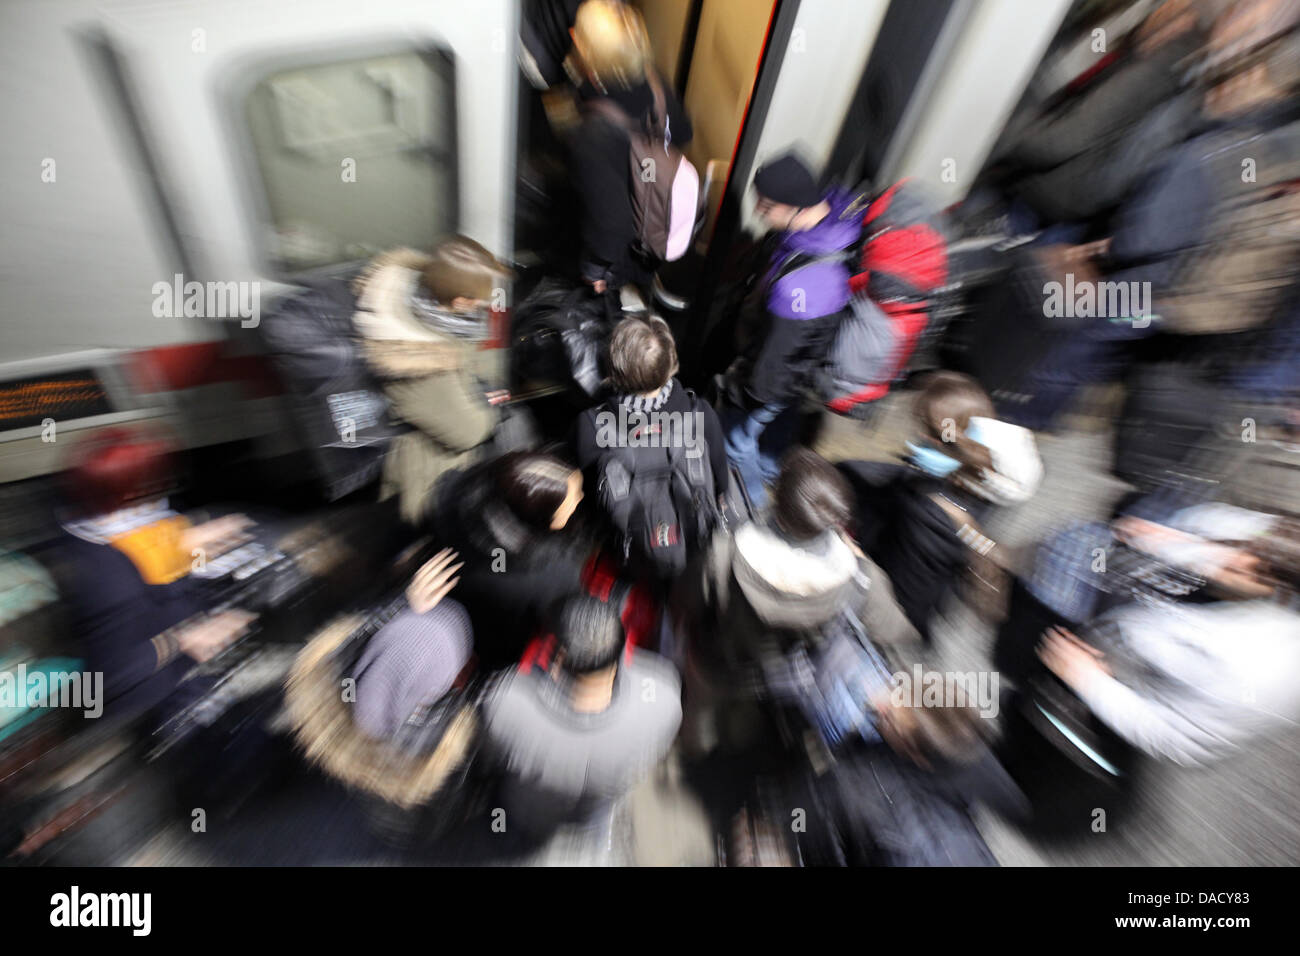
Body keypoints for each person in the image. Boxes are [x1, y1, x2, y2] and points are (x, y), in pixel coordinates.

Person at [679, 447, 917, 760]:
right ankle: (747, 735)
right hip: (785, 670)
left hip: (722, 658)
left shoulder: (725, 552)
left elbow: (688, 600)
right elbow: (895, 631)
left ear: (777, 500)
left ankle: (699, 744)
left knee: (703, 699)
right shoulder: (860, 578)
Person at [1036, 505, 1300, 766]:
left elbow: (1178, 739)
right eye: (1251, 545)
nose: (1236, 557)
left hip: (1138, 675)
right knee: (1095, 535)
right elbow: (1232, 535)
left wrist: (1090, 681)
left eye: (1259, 568)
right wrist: (1175, 541)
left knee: (1067, 566)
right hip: (1156, 622)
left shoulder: (1264, 671)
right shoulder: (1284, 543)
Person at [52, 428, 258, 727]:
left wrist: (199, 545)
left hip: (193, 677)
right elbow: (108, 676)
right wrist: (185, 638)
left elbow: (171, 561)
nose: (161, 494)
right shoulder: (100, 574)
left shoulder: (135, 525)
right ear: (128, 493)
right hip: (150, 712)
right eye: (151, 484)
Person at [841, 371, 1040, 643]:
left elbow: (903, 581)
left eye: (922, 425)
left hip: (903, 595)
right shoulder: (998, 466)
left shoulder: (928, 511)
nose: (918, 432)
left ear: (937, 440)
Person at [720, 152, 861, 510]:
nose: (758, 213)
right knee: (778, 427)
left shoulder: (804, 286)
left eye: (765, 207)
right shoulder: (829, 227)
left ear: (793, 207)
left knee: (736, 442)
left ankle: (755, 504)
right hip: (803, 374)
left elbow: (774, 366)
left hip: (779, 375)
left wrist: (743, 392)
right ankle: (771, 470)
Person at [481, 594, 682, 842]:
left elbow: (492, 755)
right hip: (594, 812)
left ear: (558, 660)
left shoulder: (506, 700)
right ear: (621, 647)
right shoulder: (663, 694)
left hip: (529, 811)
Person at [351, 237, 513, 524]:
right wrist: (494, 410)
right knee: (436, 534)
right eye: (481, 299)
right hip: (429, 473)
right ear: (461, 302)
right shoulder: (420, 364)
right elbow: (466, 433)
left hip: (439, 429)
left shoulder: (419, 292)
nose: (486, 305)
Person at [574, 314, 728, 578]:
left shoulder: (591, 425)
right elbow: (721, 483)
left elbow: (589, 498)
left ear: (612, 370)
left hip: (627, 545)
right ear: (670, 364)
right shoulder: (700, 413)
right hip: (692, 544)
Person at [566, 0, 693, 295]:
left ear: (584, 47)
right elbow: (684, 131)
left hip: (624, 242)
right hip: (656, 213)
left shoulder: (591, 134)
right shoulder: (655, 81)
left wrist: (595, 270)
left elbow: (612, 222)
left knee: (608, 301)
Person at [435, 451, 590, 668]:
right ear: (539, 518)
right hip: (492, 640)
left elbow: (498, 560)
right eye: (569, 503)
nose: (579, 498)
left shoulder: (457, 493)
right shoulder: (553, 576)